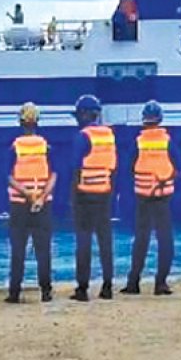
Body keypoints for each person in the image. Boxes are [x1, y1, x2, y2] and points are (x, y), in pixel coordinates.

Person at [121, 100, 181, 296]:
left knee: (141, 239)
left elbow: (130, 167)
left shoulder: (138, 142)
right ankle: (161, 283)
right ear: (160, 119)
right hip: (163, 197)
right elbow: (179, 168)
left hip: (143, 196)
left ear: (144, 119)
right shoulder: (168, 141)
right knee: (165, 240)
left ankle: (133, 282)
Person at [5, 102, 57, 304]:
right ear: (37, 122)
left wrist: (27, 193)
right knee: (43, 249)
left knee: (18, 249)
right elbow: (53, 175)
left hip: (19, 204)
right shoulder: (46, 146)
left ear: (21, 122)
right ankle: (46, 291)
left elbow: (8, 176)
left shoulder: (15, 147)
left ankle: (14, 292)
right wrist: (41, 197)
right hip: (43, 204)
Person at [70, 94, 117, 302]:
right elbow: (113, 166)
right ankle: (107, 286)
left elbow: (75, 167)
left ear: (85, 114)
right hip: (105, 193)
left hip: (84, 195)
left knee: (84, 241)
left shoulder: (83, 136)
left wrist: (72, 197)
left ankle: (82, 288)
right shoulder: (109, 136)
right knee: (105, 241)